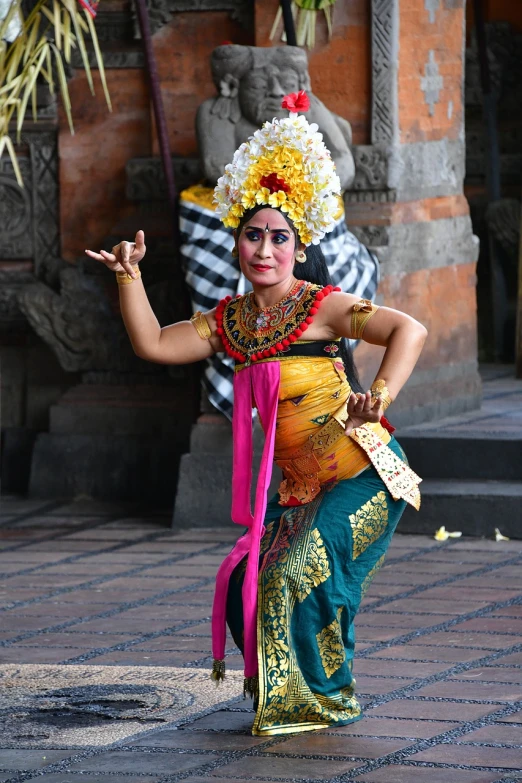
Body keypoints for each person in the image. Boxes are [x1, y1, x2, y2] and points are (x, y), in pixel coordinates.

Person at [86, 91, 427, 737]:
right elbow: (156, 344)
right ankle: (294, 694)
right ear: (238, 243)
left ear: (298, 248)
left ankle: (325, 699)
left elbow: (409, 328)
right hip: (298, 490)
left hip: (365, 476)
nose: (264, 248)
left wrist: (376, 398)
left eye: (279, 237)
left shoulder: (325, 305)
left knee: (301, 571)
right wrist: (129, 278)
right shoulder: (231, 322)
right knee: (251, 581)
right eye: (253, 234)